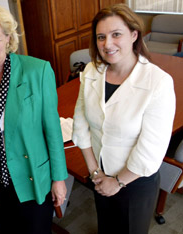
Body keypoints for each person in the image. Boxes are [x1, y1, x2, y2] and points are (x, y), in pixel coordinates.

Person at [0, 4, 68, 234]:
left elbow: (52, 130)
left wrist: (58, 178)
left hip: (32, 175)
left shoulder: (38, 70)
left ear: (8, 38)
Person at [72, 4, 176, 234]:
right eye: (101, 37)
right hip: (100, 173)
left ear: (134, 35)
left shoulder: (158, 82)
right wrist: (95, 172)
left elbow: (151, 149)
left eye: (116, 34)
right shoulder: (91, 71)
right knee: (106, 227)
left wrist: (117, 182)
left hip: (135, 181)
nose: (107, 44)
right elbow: (80, 125)